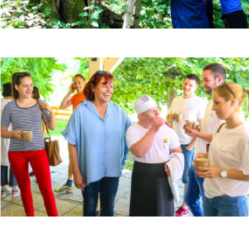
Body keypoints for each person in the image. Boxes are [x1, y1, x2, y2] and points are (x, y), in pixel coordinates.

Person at [62, 71, 132, 216]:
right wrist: (76, 172)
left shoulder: (118, 111)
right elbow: (72, 144)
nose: (109, 90)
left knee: (108, 208)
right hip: (89, 170)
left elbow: (134, 130)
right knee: (89, 207)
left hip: (112, 170)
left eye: (111, 86)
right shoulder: (81, 111)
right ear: (93, 87)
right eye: (105, 86)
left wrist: (159, 126)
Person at [195, 82, 249, 217]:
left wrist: (222, 173)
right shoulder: (219, 128)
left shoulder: (246, 137)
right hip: (209, 197)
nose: (213, 108)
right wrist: (204, 155)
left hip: (231, 203)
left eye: (217, 103)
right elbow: (224, 155)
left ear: (232, 102)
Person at [0, 72, 58, 216]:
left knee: (46, 189)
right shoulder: (9, 107)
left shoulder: (40, 103)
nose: (29, 88)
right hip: (16, 153)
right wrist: (13, 133)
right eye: (25, 85)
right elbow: (2, 131)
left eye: (30, 85)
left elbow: (52, 127)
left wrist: (51, 111)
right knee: (24, 189)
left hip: (38, 151)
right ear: (16, 87)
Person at [178, 63, 228, 217]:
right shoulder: (208, 103)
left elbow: (222, 138)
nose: (203, 83)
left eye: (206, 80)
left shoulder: (224, 106)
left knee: (208, 204)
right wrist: (196, 130)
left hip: (208, 162)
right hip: (196, 159)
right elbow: (207, 130)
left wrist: (197, 134)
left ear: (218, 79)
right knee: (189, 198)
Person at [126, 95, 182, 216]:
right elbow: (139, 152)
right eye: (152, 111)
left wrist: (172, 166)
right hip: (142, 175)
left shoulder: (168, 129)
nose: (158, 112)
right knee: (142, 211)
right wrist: (154, 129)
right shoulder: (132, 130)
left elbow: (177, 152)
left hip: (164, 173)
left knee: (163, 211)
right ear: (141, 115)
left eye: (157, 108)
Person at [169, 74, 207, 216]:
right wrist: (170, 117)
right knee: (171, 173)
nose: (186, 87)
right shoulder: (176, 99)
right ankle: (170, 200)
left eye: (190, 85)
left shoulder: (199, 102)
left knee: (186, 177)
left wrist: (192, 145)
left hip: (187, 144)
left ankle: (185, 206)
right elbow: (168, 118)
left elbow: (202, 127)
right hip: (173, 143)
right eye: (185, 83)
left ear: (196, 87)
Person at [55, 73, 86, 194]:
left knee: (84, 158)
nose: (77, 85)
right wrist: (70, 92)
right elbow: (62, 106)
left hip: (86, 131)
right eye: (75, 82)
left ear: (84, 82)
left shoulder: (89, 96)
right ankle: (69, 183)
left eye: (79, 82)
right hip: (75, 130)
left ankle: (87, 186)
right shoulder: (74, 98)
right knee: (72, 157)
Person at [0, 83, 19, 198]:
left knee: (1, 160)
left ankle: (3, 188)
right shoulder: (16, 104)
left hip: (0, 135)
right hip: (13, 134)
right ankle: (15, 188)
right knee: (14, 160)